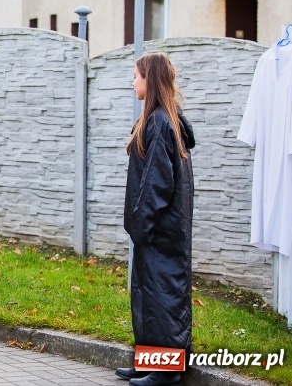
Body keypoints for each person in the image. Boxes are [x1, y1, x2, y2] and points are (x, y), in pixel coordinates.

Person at [115, 52, 195, 386]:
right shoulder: (161, 119)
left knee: (163, 297)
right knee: (149, 296)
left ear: (150, 79)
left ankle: (167, 372)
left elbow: (156, 183)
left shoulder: (160, 122)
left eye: (136, 75)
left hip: (160, 230)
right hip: (158, 230)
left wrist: (141, 224)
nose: (132, 81)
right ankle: (151, 362)